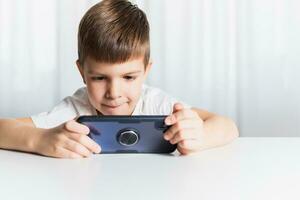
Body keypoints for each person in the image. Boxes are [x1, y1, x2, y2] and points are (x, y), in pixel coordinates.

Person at [0, 0, 238, 158]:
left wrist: (199, 137)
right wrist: (40, 140)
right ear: (82, 72)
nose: (114, 92)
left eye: (128, 77)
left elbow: (228, 126)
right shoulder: (76, 110)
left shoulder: (156, 104)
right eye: (100, 78)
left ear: (146, 71)